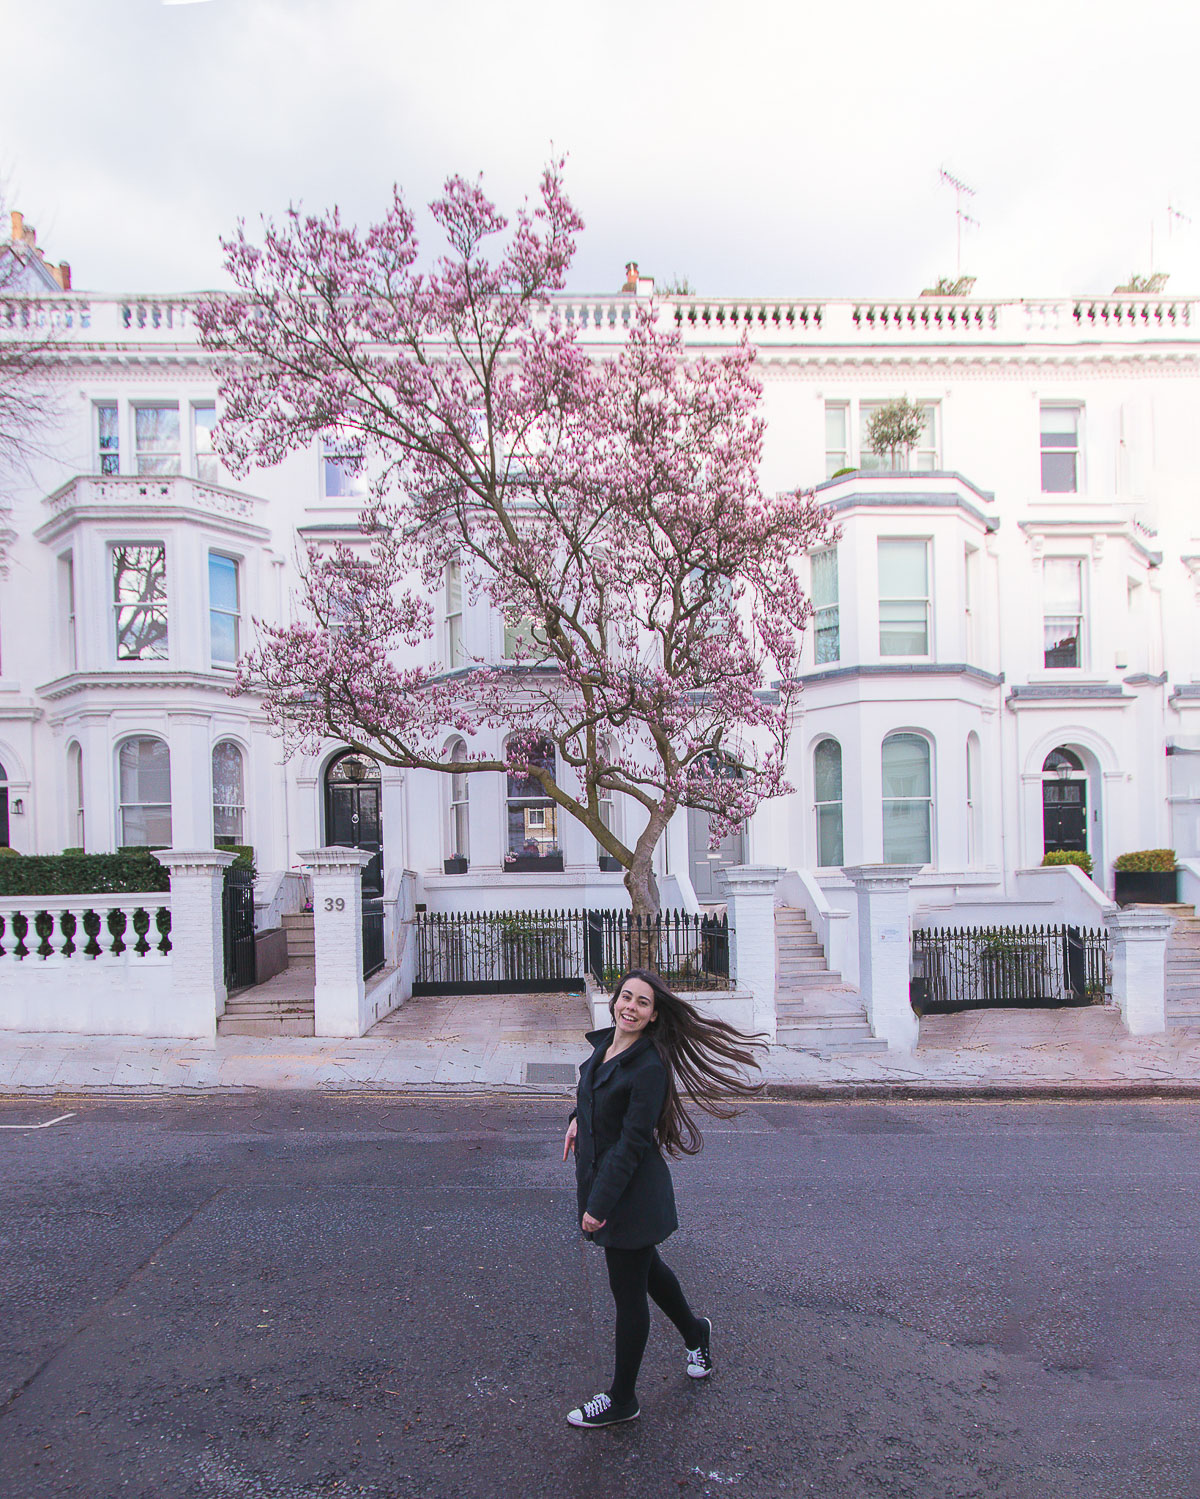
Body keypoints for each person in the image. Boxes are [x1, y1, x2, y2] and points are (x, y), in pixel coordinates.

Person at [562, 966, 766, 1428]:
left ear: (654, 1016)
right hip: (608, 1185)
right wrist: (577, 1116)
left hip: (627, 1195)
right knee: (647, 1270)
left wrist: (599, 1206)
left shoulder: (649, 1066)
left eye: (642, 1003)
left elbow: (633, 1145)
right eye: (626, 998)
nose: (630, 1007)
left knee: (628, 1293)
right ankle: (696, 1333)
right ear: (615, 1000)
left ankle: (622, 1398)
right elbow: (595, 1093)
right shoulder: (607, 1046)